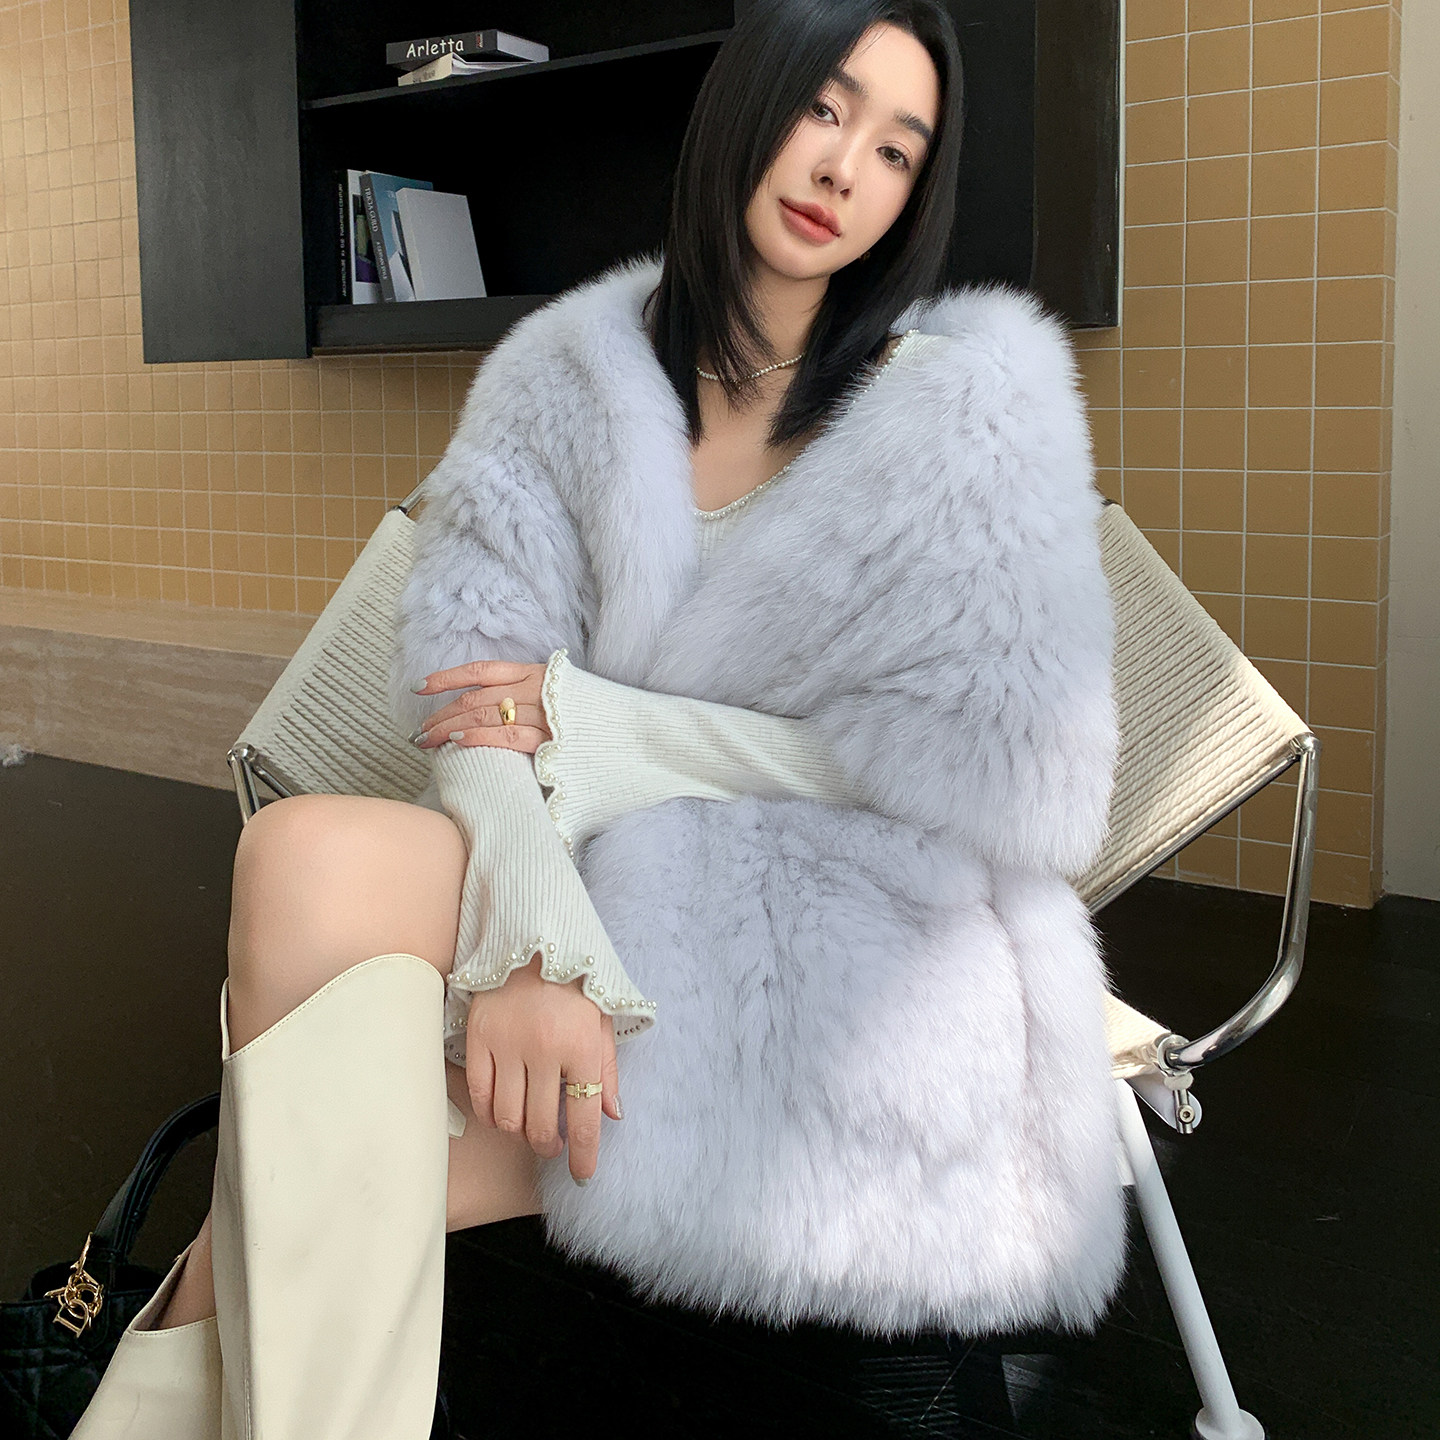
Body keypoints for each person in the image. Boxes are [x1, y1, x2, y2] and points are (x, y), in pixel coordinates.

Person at [73, 2, 1122, 1436]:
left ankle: (163, 1375)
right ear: (748, 106)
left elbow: (1015, 779)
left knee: (297, 1137)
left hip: (842, 910)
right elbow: (479, 704)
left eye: (896, 147)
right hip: (586, 865)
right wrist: (534, 943)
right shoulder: (564, 373)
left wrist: (604, 730)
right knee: (303, 852)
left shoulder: (970, 410)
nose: (844, 168)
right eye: (824, 109)